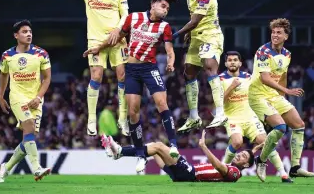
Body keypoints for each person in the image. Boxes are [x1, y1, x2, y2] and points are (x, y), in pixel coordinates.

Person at [84, 0, 179, 173]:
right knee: (133, 112)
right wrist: (98, 48)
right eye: (163, 6)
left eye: (168, 8)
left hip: (150, 68)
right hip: (132, 70)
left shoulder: (164, 27)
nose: (165, 10)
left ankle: (174, 145)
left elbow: (170, 50)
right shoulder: (133, 18)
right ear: (153, 4)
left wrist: (171, 62)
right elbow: (117, 38)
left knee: (162, 103)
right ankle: (140, 155)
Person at [56, 0, 130, 136]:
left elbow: (126, 14)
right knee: (96, 76)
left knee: (122, 75)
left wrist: (118, 30)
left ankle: (123, 119)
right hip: (96, 40)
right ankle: (91, 119)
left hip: (117, 39)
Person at [249, 18, 314, 181]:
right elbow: (265, 78)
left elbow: (282, 75)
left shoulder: (287, 54)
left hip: (274, 96)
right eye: (273, 32)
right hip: (257, 95)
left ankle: (295, 167)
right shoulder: (263, 51)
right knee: (280, 127)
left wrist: (282, 98)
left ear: (286, 36)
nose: (275, 35)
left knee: (299, 125)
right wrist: (287, 91)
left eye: (279, 32)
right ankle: (261, 160)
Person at [220, 51, 292, 183]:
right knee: (237, 142)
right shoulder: (219, 79)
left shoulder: (249, 77)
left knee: (266, 142)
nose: (232, 62)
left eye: (235, 60)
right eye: (229, 60)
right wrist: (231, 87)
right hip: (232, 118)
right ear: (225, 63)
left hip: (250, 117)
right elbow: (218, 102)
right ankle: (222, 171)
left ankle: (283, 174)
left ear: (240, 63)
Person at [0, 20, 52, 183]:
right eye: (24, 32)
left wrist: (38, 97)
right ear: (16, 35)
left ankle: (6, 168)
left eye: (30, 32)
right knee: (28, 125)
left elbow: (47, 78)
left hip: (35, 98)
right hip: (17, 97)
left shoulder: (41, 53)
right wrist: (1, 95)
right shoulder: (7, 55)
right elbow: (3, 74)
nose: (29, 34)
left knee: (29, 136)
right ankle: (36, 168)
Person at [174, 0, 227, 132]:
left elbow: (195, 21)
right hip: (197, 37)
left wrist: (174, 35)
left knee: (210, 67)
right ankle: (194, 117)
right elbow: (193, 17)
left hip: (210, 35)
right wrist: (190, 33)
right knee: (188, 72)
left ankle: (220, 113)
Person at [102, 130, 261, 182]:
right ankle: (122, 152)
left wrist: (204, 147)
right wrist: (255, 149)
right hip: (182, 175)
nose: (239, 155)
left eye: (242, 157)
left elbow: (219, 166)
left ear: (246, 165)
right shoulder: (238, 165)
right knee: (155, 147)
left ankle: (120, 152)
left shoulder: (235, 172)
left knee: (158, 146)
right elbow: (248, 158)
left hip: (191, 173)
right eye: (240, 154)